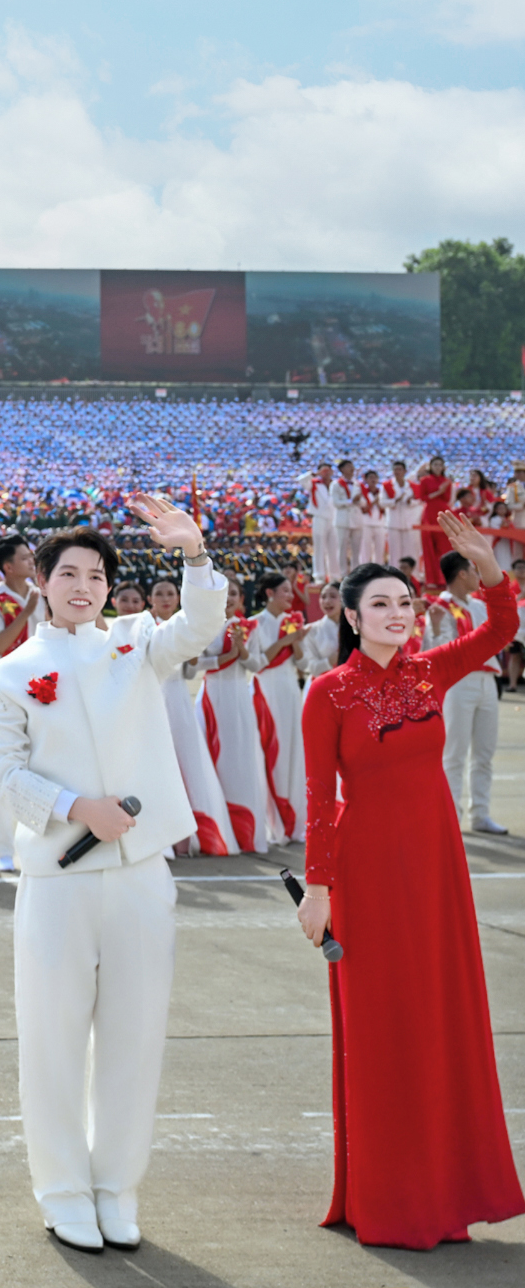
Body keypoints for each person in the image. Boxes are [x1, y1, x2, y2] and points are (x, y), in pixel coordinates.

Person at [0, 498, 226, 1253]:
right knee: (51, 1037)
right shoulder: (11, 673)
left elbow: (200, 627)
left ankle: (117, 1186)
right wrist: (77, 805)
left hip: (142, 872)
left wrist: (195, 555)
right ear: (42, 583)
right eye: (68, 573)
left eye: (96, 574)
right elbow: (2, 772)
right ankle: (62, 1191)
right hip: (59, 875)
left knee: (135, 1033)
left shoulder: (135, 643)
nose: (83, 585)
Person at [296, 514, 525, 1249]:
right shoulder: (327, 692)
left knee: (442, 1016)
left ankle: (447, 1189)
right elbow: (319, 796)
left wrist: (489, 569)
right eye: (382, 605)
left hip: (437, 870)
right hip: (366, 875)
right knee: (384, 1024)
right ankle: (389, 1195)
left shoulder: (434, 671)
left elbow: (499, 632)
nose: (398, 615)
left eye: (406, 603)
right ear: (352, 617)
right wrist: (320, 889)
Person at [140, 578, 236, 856]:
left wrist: (198, 657)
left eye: (171, 593)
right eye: (159, 593)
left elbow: (190, 672)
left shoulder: (185, 628)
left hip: (179, 697)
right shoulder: (144, 627)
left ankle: (189, 834)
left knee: (185, 759)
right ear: (151, 599)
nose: (166, 598)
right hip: (152, 698)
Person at [427, 551, 509, 835]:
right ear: (461, 574)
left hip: (487, 681)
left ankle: (480, 814)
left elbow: (499, 635)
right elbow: (436, 649)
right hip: (457, 683)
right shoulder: (438, 607)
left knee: (484, 752)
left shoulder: (479, 606)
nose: (477, 576)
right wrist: (436, 627)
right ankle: (451, 817)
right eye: (473, 571)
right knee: (455, 753)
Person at [0, 537, 42, 872]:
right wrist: (28, 613)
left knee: (43, 766)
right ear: (8, 567)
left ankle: (36, 843)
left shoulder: (44, 594)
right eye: (25, 557)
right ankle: (4, 849)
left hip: (43, 689)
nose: (32, 561)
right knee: (4, 766)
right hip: (4, 689)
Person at [198, 590, 270, 853]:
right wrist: (225, 657)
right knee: (212, 757)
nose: (228, 599)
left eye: (235, 594)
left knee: (239, 760)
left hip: (239, 696)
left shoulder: (250, 627)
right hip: (212, 695)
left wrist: (240, 647)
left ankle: (244, 832)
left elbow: (257, 665)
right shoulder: (203, 626)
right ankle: (217, 828)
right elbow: (194, 665)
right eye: (224, 594)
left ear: (242, 600)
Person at [249, 571, 308, 843]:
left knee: (294, 751)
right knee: (269, 752)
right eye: (285, 590)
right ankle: (272, 822)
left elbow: (303, 664)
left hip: (288, 691)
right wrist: (285, 641)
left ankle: (295, 821)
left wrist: (295, 642)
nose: (291, 595)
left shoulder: (293, 622)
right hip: (265, 692)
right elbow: (257, 663)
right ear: (270, 593)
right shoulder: (254, 624)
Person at [413, 456, 453, 586]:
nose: (437, 467)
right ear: (431, 466)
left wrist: (443, 490)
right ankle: (432, 579)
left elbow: (446, 498)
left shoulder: (447, 481)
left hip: (443, 511)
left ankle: (446, 578)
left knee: (445, 547)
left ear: (443, 467)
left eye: (439, 465)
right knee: (429, 547)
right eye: (435, 464)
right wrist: (438, 491)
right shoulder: (424, 480)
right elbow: (423, 497)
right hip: (429, 513)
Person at [300, 462, 340, 582]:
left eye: (328, 470)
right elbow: (301, 480)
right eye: (324, 471)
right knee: (319, 548)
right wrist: (314, 474)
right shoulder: (314, 484)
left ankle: (334, 576)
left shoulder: (336, 485)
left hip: (334, 518)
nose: (326, 473)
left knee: (334, 548)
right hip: (319, 517)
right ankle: (319, 576)